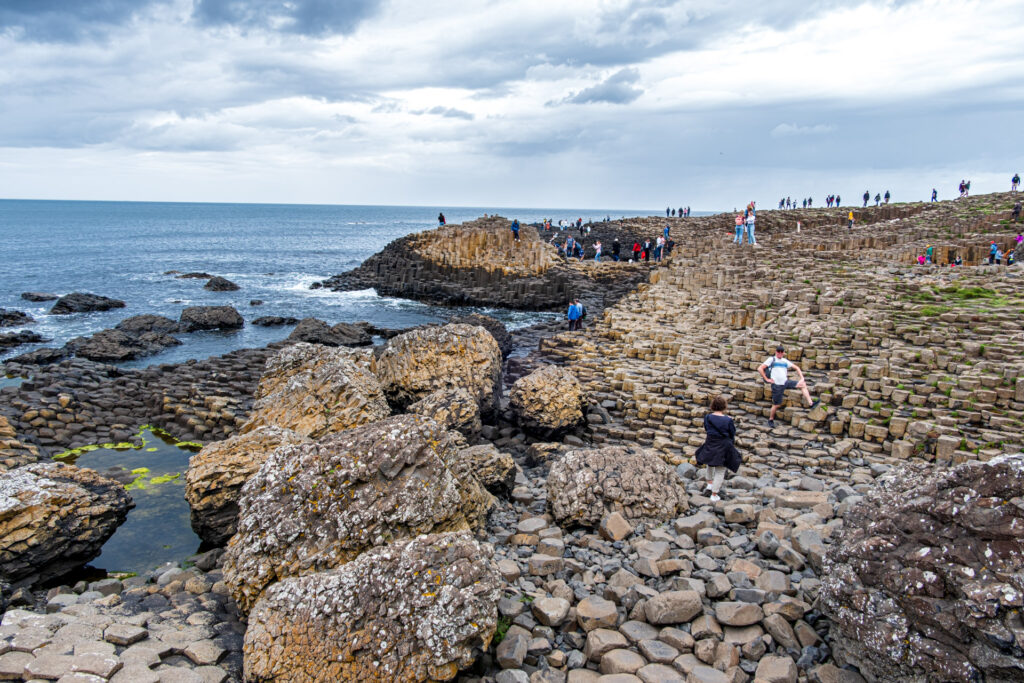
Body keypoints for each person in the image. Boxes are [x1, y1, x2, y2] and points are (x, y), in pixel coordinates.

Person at [694, 394, 741, 503]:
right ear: (724, 406)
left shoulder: (708, 417)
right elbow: (732, 433)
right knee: (720, 470)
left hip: (711, 442)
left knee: (710, 463)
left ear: (712, 406)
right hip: (723, 445)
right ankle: (714, 494)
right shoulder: (728, 420)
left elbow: (706, 428)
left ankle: (709, 484)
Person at [758, 345, 819, 428]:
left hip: (785, 382)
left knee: (803, 385)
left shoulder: (785, 361)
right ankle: (771, 419)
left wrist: (802, 378)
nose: (779, 353)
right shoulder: (771, 359)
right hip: (777, 385)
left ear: (783, 353)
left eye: (781, 352)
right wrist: (767, 379)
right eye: (778, 351)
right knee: (776, 404)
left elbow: (797, 367)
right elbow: (760, 368)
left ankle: (811, 403)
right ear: (776, 352)